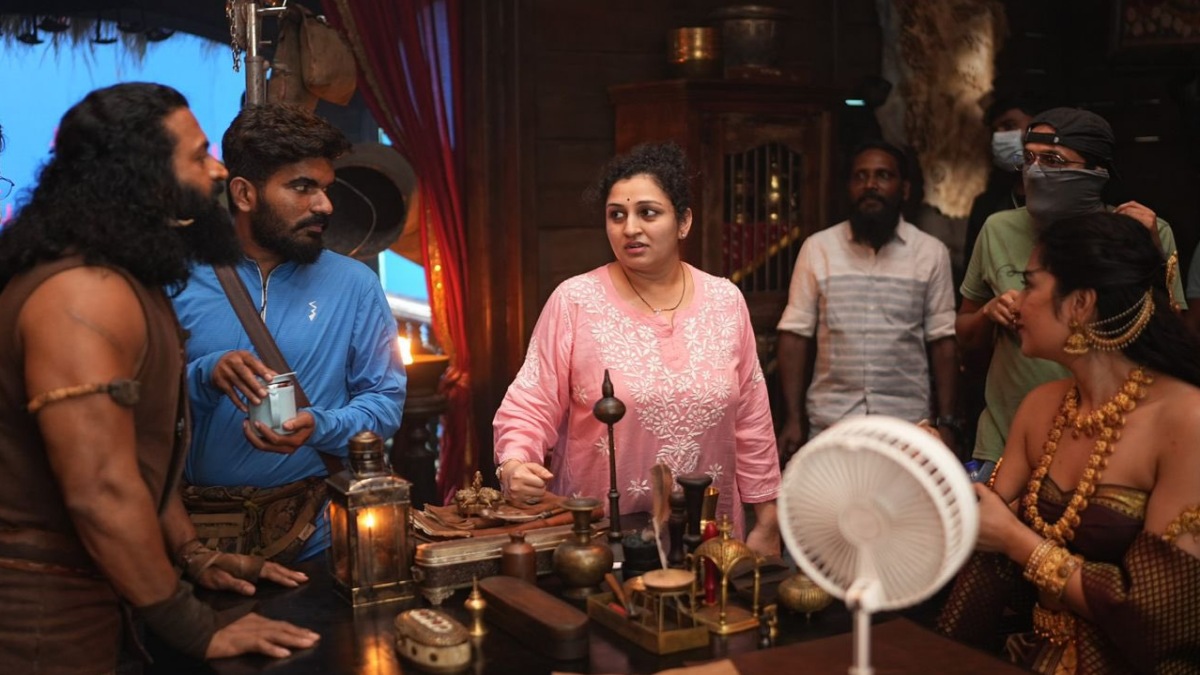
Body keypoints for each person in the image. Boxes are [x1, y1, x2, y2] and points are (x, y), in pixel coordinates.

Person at [0, 84, 319, 672]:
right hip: (43, 625)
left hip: (100, 600)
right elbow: (101, 489)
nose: (217, 170)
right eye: (199, 156)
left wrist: (191, 554)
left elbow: (138, 458)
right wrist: (194, 628)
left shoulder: (122, 277)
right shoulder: (83, 294)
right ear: (145, 178)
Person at [938, 211, 1200, 673]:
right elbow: (986, 535)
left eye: (1030, 285)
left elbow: (1160, 617)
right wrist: (931, 476)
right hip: (1034, 655)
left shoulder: (1185, 420)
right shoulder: (1041, 407)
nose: (1015, 301)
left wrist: (1019, 542)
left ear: (1080, 304)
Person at [492, 142, 781, 555]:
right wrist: (515, 464)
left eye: (648, 212)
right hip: (598, 543)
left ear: (683, 222)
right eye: (617, 215)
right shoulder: (575, 301)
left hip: (709, 537)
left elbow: (752, 420)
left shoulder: (725, 301)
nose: (629, 228)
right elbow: (530, 402)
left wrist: (768, 520)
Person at [172, 104, 406, 562]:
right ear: (244, 194)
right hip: (200, 540)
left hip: (320, 535)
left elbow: (384, 403)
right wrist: (204, 376)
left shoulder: (355, 285)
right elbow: (141, 406)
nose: (325, 205)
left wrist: (320, 425)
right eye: (302, 187)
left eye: (326, 188)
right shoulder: (180, 279)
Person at [956, 107, 1187, 470]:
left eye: (1053, 161)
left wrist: (1151, 255)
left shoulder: (1142, 231)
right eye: (1028, 159)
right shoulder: (998, 230)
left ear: (1097, 171)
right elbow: (965, 338)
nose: (1036, 171)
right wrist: (988, 314)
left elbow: (1173, 343)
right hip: (1006, 437)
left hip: (1109, 443)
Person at [776, 140, 960, 462]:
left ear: (904, 189)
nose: (870, 185)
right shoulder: (818, 248)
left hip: (908, 428)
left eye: (883, 176)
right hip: (831, 425)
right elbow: (794, 335)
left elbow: (943, 341)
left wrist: (946, 422)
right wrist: (793, 418)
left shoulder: (931, 253)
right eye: (860, 177)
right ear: (849, 188)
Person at [963, 97, 1040, 269]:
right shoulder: (986, 206)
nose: (1000, 137)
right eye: (995, 131)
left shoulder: (1063, 197)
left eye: (1009, 125)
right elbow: (973, 272)